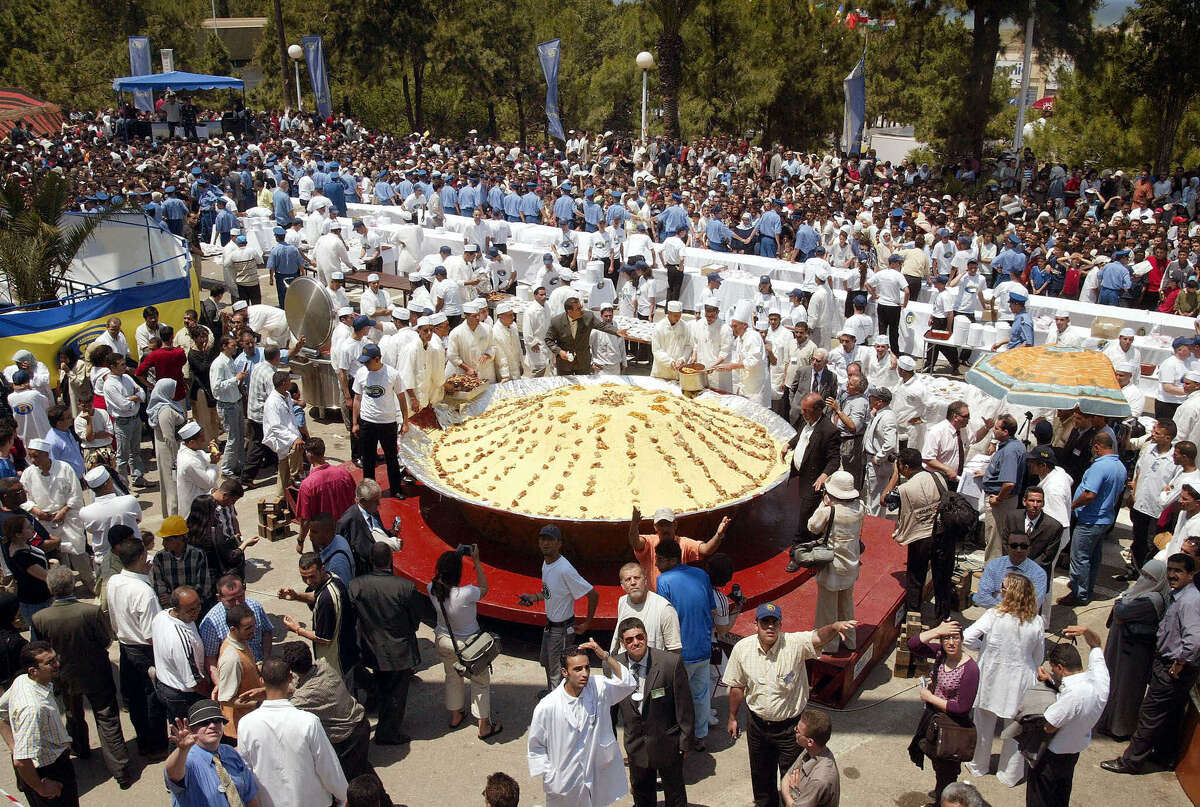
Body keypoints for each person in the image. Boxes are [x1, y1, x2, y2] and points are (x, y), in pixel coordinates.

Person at [724, 603, 856, 807]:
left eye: (774, 622)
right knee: (760, 775)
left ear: (780, 625)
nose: (770, 627)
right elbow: (737, 686)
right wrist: (732, 717)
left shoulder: (794, 644)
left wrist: (834, 626)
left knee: (794, 779)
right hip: (757, 726)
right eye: (764, 622)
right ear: (755, 625)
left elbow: (818, 637)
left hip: (790, 730)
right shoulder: (742, 649)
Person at [31, 567, 133, 789]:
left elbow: (40, 649)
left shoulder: (40, 618)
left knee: (72, 714)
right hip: (96, 672)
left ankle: (80, 748)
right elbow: (106, 640)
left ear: (51, 588)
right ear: (70, 586)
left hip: (62, 676)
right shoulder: (89, 612)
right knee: (107, 718)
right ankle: (120, 770)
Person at [1101, 552, 1200, 775]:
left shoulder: (1189, 601)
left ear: (1191, 575)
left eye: (1179, 571)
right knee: (1170, 715)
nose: (1173, 575)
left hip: (1171, 668)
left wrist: (1179, 663)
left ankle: (1131, 761)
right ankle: (1164, 756)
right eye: (1171, 570)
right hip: (1169, 665)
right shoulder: (1180, 596)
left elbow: (1194, 641)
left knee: (1149, 715)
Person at [527, 639, 637, 807]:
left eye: (587, 667)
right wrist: (551, 776)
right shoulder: (548, 707)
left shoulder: (598, 687)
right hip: (563, 784)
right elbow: (536, 747)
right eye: (577, 669)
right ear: (564, 672)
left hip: (595, 774)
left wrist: (605, 656)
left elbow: (627, 684)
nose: (584, 673)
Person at [962, 573, 1045, 787]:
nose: (1000, 590)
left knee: (983, 724)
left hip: (991, 676)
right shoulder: (1036, 622)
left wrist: (984, 649)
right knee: (1015, 729)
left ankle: (978, 765)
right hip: (1021, 680)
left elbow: (968, 636)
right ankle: (1010, 774)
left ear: (1011, 593)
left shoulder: (993, 615)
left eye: (1004, 587)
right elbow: (1038, 657)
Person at [349, 541, 432, 745]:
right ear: (391, 559)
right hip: (398, 649)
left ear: (371, 561)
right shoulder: (405, 587)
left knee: (382, 683)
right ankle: (388, 732)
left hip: (371, 646)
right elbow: (415, 619)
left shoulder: (356, 585)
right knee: (396, 692)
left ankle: (380, 712)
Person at [237, 656, 348, 807]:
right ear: (290, 678)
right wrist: (343, 796)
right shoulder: (308, 722)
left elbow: (246, 771)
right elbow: (328, 767)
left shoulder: (246, 724)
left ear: (261, 681)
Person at [613, 617, 692, 807]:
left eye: (639, 637)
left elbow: (684, 706)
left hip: (668, 744)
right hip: (636, 745)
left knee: (675, 795)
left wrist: (686, 741)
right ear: (623, 644)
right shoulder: (613, 667)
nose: (635, 642)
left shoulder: (670, 663)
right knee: (642, 796)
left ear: (646, 637)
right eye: (629, 640)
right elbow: (610, 710)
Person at [1028, 625, 1109, 807]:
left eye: (1054, 669)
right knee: (1061, 798)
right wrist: (1086, 630)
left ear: (1060, 667)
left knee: (1039, 799)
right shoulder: (1100, 679)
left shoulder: (1072, 696)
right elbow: (1096, 644)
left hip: (1051, 757)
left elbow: (1050, 726)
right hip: (1073, 752)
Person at [281, 642, 380, 790]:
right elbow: (299, 684)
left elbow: (283, 707)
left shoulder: (304, 697)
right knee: (365, 773)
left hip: (348, 740)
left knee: (351, 785)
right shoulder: (324, 666)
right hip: (359, 726)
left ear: (291, 671)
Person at [105, 535, 168, 759]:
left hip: (125, 646)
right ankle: (157, 746)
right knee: (152, 700)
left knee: (135, 700)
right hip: (144, 650)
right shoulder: (144, 592)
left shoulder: (113, 581)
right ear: (142, 557)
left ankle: (143, 742)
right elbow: (152, 635)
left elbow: (112, 617)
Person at [517, 524, 599, 693]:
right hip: (551, 627)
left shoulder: (564, 569)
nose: (546, 543)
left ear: (559, 543)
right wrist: (533, 598)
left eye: (550, 540)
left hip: (562, 631)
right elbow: (549, 592)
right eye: (543, 539)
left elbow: (593, 594)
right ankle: (551, 694)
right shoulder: (546, 563)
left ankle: (559, 708)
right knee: (547, 663)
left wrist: (587, 623)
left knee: (558, 673)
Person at [429, 545, 500, 738]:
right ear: (458, 573)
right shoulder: (466, 593)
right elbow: (484, 588)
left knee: (452, 677)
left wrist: (455, 555)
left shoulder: (432, 589)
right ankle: (483, 726)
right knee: (480, 682)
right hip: (470, 645)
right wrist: (476, 562)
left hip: (444, 640)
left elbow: (437, 578)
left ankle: (455, 715)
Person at [906, 621, 979, 806]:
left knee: (947, 773)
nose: (951, 643)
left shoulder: (970, 669)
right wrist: (937, 630)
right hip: (934, 719)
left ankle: (944, 801)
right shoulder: (940, 654)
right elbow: (913, 644)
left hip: (952, 728)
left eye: (955, 638)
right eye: (946, 638)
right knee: (935, 762)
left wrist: (930, 698)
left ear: (962, 640)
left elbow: (962, 707)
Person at [1096, 559, 1169, 741]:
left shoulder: (1153, 600)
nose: (1143, 579)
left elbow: (1121, 611)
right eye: (1143, 574)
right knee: (1112, 682)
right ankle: (1107, 722)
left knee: (1125, 690)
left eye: (1149, 577)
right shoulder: (1140, 594)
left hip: (1133, 653)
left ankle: (1120, 728)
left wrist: (1121, 604)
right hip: (1122, 647)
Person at [0, 642, 79, 807]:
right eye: (50, 662)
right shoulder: (33, 709)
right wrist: (41, 787)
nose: (57, 664)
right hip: (49, 771)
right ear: (33, 671)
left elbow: (1, 710)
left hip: (52, 763)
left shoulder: (22, 680)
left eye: (55, 658)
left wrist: (14, 746)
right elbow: (21, 761)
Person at [654, 539, 716, 749]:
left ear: (670, 560)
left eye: (659, 559)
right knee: (700, 695)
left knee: (676, 700)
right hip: (704, 648)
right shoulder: (702, 575)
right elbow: (712, 609)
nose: (655, 563)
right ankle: (699, 737)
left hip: (680, 653)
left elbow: (664, 617)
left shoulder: (664, 581)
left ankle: (681, 740)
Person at [1060, 431, 1127, 607]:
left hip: (1090, 520)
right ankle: (1086, 587)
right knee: (1093, 557)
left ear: (1097, 447)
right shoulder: (1120, 466)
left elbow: (1090, 494)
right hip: (1104, 519)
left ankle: (1079, 593)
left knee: (1080, 557)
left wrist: (1072, 505)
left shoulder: (1099, 467)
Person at [890, 448, 954, 622]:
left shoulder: (904, 489)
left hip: (921, 538)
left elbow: (884, 500)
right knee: (942, 580)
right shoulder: (939, 476)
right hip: (944, 535)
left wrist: (895, 476)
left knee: (916, 578)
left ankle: (913, 621)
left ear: (906, 467)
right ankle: (943, 620)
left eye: (900, 465)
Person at [20, 440, 91, 595]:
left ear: (46, 455)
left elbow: (76, 494)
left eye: (36, 456)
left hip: (68, 519)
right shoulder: (28, 474)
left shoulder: (64, 469)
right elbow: (24, 499)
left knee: (78, 554)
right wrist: (37, 511)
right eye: (30, 456)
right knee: (57, 558)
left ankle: (91, 584)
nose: (33, 460)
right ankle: (65, 591)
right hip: (44, 522)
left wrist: (64, 511)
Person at [279, 553, 359, 684]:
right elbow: (317, 596)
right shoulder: (333, 578)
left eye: (312, 576)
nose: (309, 582)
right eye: (304, 578)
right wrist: (296, 596)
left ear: (322, 569)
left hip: (336, 665)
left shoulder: (327, 600)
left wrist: (297, 629)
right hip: (347, 653)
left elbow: (324, 639)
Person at [164, 699, 260, 807]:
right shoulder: (186, 759)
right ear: (192, 729)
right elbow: (173, 774)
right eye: (204, 723)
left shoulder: (230, 752)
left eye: (217, 720)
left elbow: (250, 797)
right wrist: (182, 750)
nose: (212, 726)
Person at [784, 392, 841, 571]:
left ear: (817, 410)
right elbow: (801, 435)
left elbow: (834, 459)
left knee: (804, 519)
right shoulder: (807, 419)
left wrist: (824, 475)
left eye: (806, 410)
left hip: (813, 481)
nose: (802, 413)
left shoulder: (829, 430)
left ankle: (796, 555)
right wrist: (789, 444)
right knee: (801, 513)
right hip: (800, 476)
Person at [806, 471, 861, 652]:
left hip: (832, 566)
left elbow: (812, 526)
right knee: (846, 605)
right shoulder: (860, 508)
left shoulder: (829, 511)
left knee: (827, 608)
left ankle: (829, 644)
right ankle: (851, 640)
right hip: (851, 564)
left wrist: (823, 504)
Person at [628, 506, 727, 590]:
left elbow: (706, 549)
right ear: (655, 527)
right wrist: (634, 524)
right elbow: (635, 542)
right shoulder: (649, 542)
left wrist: (718, 535)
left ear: (675, 525)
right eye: (661, 525)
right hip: (654, 600)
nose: (664, 529)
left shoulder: (684, 543)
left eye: (668, 524)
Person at [198, 574, 274, 681]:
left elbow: (267, 632)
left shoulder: (255, 606)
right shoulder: (211, 624)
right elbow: (210, 659)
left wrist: (266, 659)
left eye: (240, 597)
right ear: (219, 598)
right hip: (234, 676)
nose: (238, 603)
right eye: (231, 600)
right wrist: (220, 685)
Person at [150, 585, 209, 723]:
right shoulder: (180, 639)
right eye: (191, 610)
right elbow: (194, 682)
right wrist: (213, 697)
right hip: (181, 696)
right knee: (187, 735)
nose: (197, 612)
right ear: (177, 610)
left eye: (198, 606)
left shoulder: (162, 616)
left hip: (166, 684)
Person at [295, 437, 357, 552]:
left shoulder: (307, 485)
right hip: (347, 530)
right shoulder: (343, 473)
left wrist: (300, 541)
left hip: (324, 538)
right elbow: (355, 499)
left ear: (309, 454)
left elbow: (305, 519)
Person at [608, 561, 682, 654]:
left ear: (645, 580)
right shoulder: (623, 601)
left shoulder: (664, 609)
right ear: (622, 586)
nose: (633, 582)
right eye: (628, 579)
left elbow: (675, 650)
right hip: (625, 665)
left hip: (652, 666)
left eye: (637, 578)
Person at [980, 414, 1025, 562]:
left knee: (995, 542)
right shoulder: (1013, 446)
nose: (994, 430)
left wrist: (998, 499)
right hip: (1004, 499)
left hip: (1001, 502)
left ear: (1006, 432)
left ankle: (992, 575)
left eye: (997, 428)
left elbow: (1009, 483)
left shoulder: (1010, 451)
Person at [544, 296, 624, 375]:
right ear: (569, 311)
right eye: (578, 309)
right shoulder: (557, 321)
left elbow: (602, 326)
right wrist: (559, 351)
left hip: (583, 362)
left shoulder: (588, 317)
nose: (581, 310)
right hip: (565, 364)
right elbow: (548, 339)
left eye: (581, 307)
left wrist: (617, 331)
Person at [779, 709, 840, 807]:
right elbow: (786, 777)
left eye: (798, 731)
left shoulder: (819, 780)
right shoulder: (810, 750)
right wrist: (792, 795)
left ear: (810, 742)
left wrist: (792, 793)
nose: (794, 730)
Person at [152, 515, 214, 607]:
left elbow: (203, 586)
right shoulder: (160, 558)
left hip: (195, 606)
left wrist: (179, 600)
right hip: (172, 608)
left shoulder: (197, 555)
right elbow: (160, 587)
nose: (163, 543)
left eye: (168, 540)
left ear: (180, 538)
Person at [5, 514, 51, 638]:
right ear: (18, 534)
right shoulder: (21, 557)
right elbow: (45, 576)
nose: (32, 529)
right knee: (41, 635)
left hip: (38, 598)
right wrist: (57, 569)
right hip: (36, 601)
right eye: (28, 528)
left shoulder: (17, 544)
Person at [972, 535, 1048, 608]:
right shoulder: (994, 565)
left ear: (1029, 549)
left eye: (1023, 546)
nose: (1019, 550)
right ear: (1007, 547)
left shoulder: (1039, 573)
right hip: (995, 617)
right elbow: (981, 598)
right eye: (1014, 546)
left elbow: (1033, 605)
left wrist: (996, 595)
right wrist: (1018, 600)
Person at [176, 422, 221, 520]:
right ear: (191, 442)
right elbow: (208, 483)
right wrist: (213, 463)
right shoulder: (188, 461)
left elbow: (204, 458)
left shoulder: (194, 451)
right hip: (196, 509)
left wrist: (212, 455)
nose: (204, 440)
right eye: (201, 439)